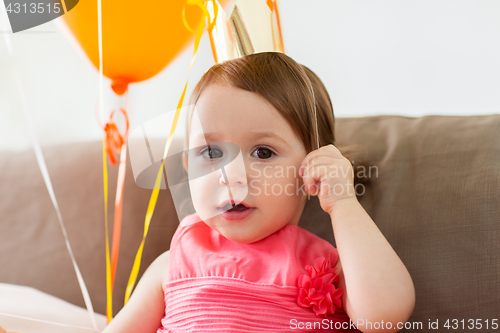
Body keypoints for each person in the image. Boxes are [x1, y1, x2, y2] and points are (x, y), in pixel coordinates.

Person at [103, 52, 415, 333]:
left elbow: (383, 318)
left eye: (263, 153)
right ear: (188, 166)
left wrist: (343, 202)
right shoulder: (173, 265)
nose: (232, 176)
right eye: (211, 153)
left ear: (311, 169)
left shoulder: (328, 266)